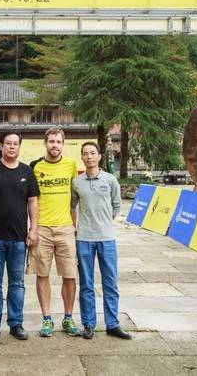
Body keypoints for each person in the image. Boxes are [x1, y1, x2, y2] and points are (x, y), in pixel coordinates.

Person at [0, 132, 40, 342]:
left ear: (19, 147)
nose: (12, 147)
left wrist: (33, 229)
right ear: (2, 146)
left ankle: (16, 323)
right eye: (8, 143)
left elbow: (33, 201)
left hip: (18, 238)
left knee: (17, 283)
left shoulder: (26, 171)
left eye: (15, 144)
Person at [71, 142, 130, 340]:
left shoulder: (110, 180)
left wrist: (104, 222)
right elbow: (72, 206)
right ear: (82, 157)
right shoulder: (77, 182)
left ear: (99, 156)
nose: (89, 156)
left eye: (92, 153)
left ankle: (112, 324)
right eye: (85, 153)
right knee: (86, 284)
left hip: (107, 239)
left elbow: (116, 205)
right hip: (84, 239)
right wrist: (75, 227)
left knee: (110, 283)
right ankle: (88, 324)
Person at [27, 126, 82, 337]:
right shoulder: (35, 167)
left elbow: (74, 198)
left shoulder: (70, 165)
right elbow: (30, 200)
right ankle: (47, 319)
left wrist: (75, 227)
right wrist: (32, 228)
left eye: (58, 142)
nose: (55, 145)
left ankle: (68, 317)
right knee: (42, 274)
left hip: (65, 228)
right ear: (45, 143)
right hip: (42, 229)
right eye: (51, 141)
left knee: (70, 275)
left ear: (63, 144)